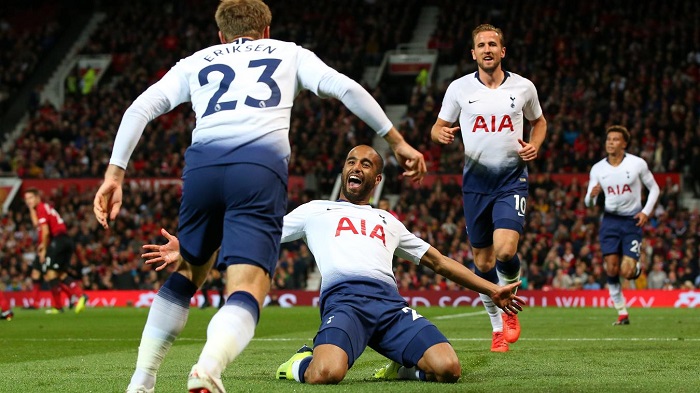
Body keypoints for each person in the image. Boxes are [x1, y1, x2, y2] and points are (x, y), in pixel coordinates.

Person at [92, 1, 426, 392]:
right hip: (258, 167)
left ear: (221, 35)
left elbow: (140, 108)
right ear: (266, 29)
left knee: (188, 272)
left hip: (202, 165)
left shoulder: (195, 61)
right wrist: (397, 141)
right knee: (248, 287)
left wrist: (115, 174)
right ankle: (207, 368)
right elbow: (347, 89)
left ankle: (142, 380)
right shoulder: (289, 52)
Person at [143, 145, 524, 386]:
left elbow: (438, 262)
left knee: (449, 369)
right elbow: (258, 232)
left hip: (390, 307)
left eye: (366, 163)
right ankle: (298, 361)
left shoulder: (388, 220)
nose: (356, 166)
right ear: (344, 172)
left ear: (376, 178)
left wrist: (492, 289)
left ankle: (403, 364)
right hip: (345, 305)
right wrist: (192, 247)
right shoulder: (314, 211)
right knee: (325, 374)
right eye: (350, 161)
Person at [430, 24, 547, 352]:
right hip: (475, 185)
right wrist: (439, 134)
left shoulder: (523, 88)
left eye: (493, 43)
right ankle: (497, 327)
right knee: (482, 265)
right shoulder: (459, 89)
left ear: (502, 51)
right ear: (473, 53)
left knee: (505, 251)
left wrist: (535, 144)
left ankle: (509, 306)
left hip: (512, 181)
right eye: (481, 44)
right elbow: (437, 126)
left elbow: (539, 122)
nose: (487, 49)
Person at [584, 125, 659, 325]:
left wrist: (645, 212)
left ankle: (636, 266)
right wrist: (592, 196)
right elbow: (588, 202)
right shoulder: (598, 168)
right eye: (609, 139)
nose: (611, 142)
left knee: (627, 272)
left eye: (616, 139)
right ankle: (622, 312)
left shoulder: (637, 164)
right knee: (611, 268)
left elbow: (654, 188)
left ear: (624, 143)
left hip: (631, 220)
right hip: (609, 220)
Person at [23, 188, 88, 314]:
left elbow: (46, 232)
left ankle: (76, 296)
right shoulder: (42, 208)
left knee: (51, 274)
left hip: (57, 241)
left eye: (30, 198)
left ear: (37, 197)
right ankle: (66, 301)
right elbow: (38, 224)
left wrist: (43, 249)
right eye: (26, 199)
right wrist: (31, 208)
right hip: (63, 240)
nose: (28, 201)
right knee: (57, 273)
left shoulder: (41, 208)